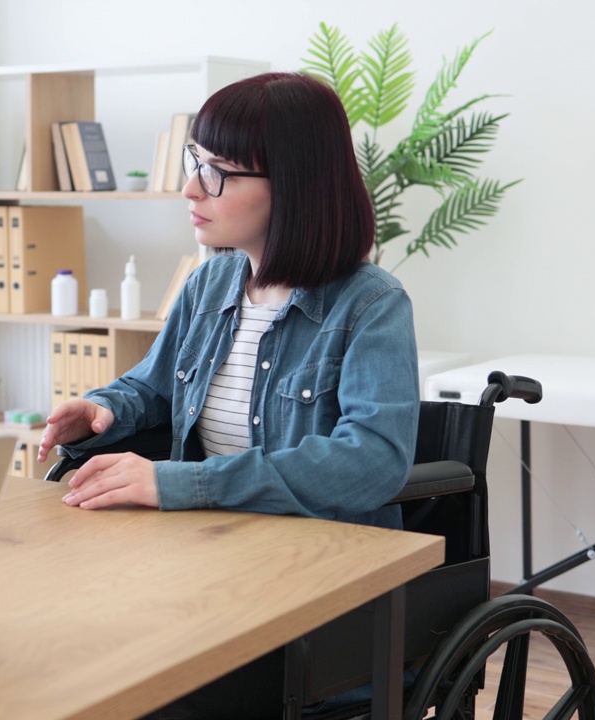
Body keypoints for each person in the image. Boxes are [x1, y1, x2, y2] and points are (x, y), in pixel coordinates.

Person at [36, 72, 420, 716]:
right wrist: (105, 407)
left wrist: (181, 484)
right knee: (73, 658)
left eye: (219, 172)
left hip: (315, 595)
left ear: (294, 186)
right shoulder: (209, 284)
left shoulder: (372, 304)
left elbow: (374, 460)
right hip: (209, 563)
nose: (191, 188)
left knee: (140, 690)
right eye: (196, 163)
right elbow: (154, 387)